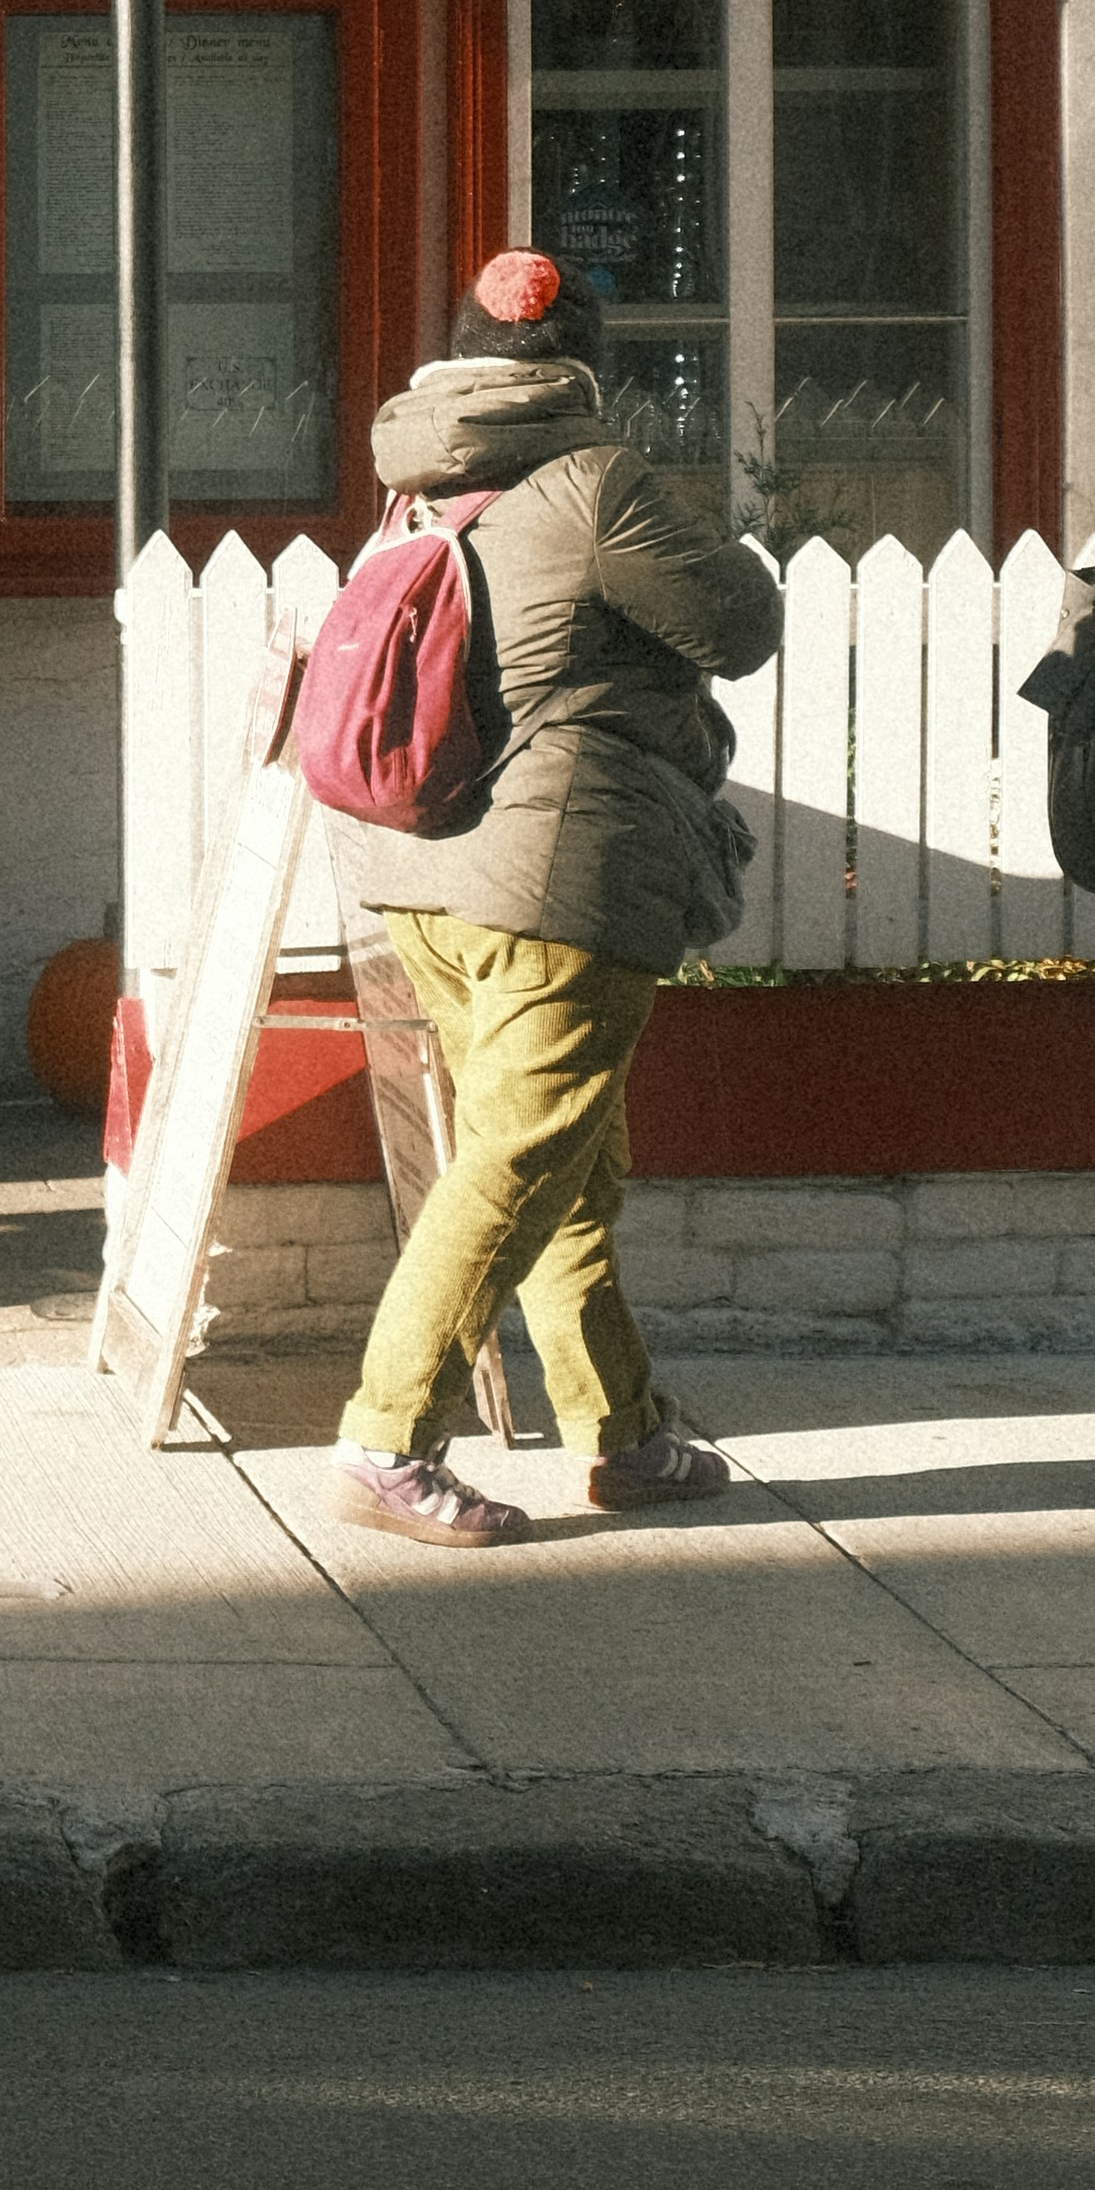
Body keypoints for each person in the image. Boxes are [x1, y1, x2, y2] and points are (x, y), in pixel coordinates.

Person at [326, 246, 784, 1547]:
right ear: (587, 366)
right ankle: (385, 1439)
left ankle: (624, 1434)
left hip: (421, 877)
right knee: (519, 1164)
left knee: (563, 1162)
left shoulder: (411, 489)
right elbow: (739, 625)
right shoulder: (593, 483)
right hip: (556, 880)